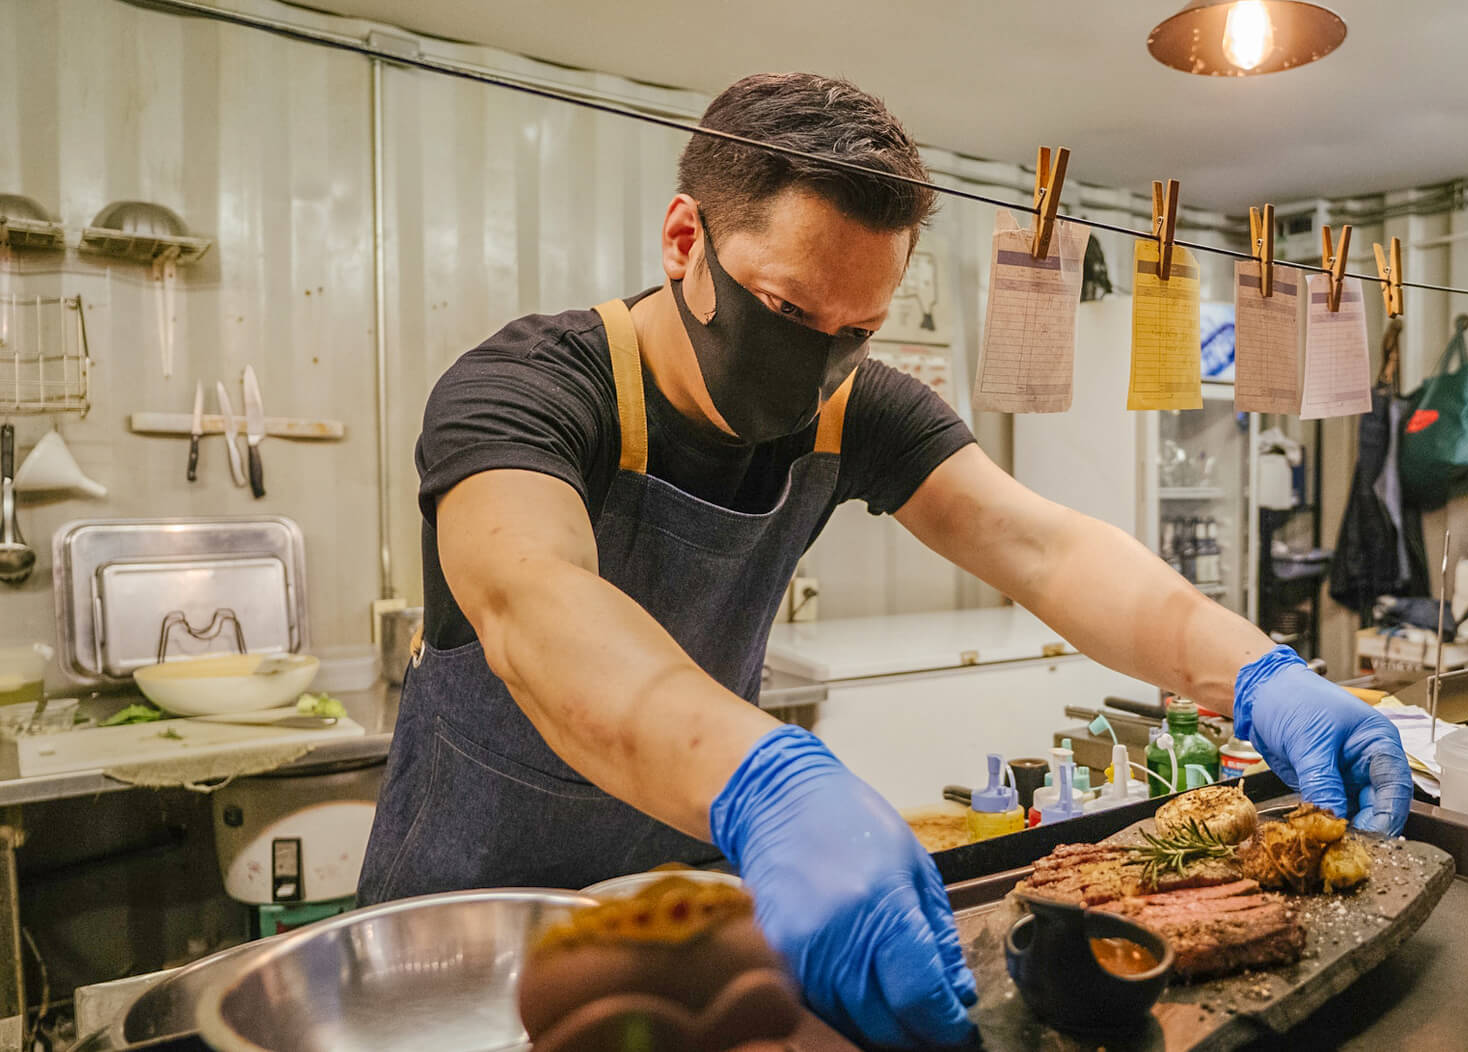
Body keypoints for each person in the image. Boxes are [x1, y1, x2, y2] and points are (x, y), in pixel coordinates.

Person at [358, 72, 1412, 1048]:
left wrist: (1258, 671)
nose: (819, 361)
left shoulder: (853, 412)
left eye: (856, 328)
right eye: (786, 311)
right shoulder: (529, 389)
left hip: (687, 920)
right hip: (463, 941)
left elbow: (1044, 548)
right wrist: (764, 779)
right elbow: (534, 601)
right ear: (687, 238)